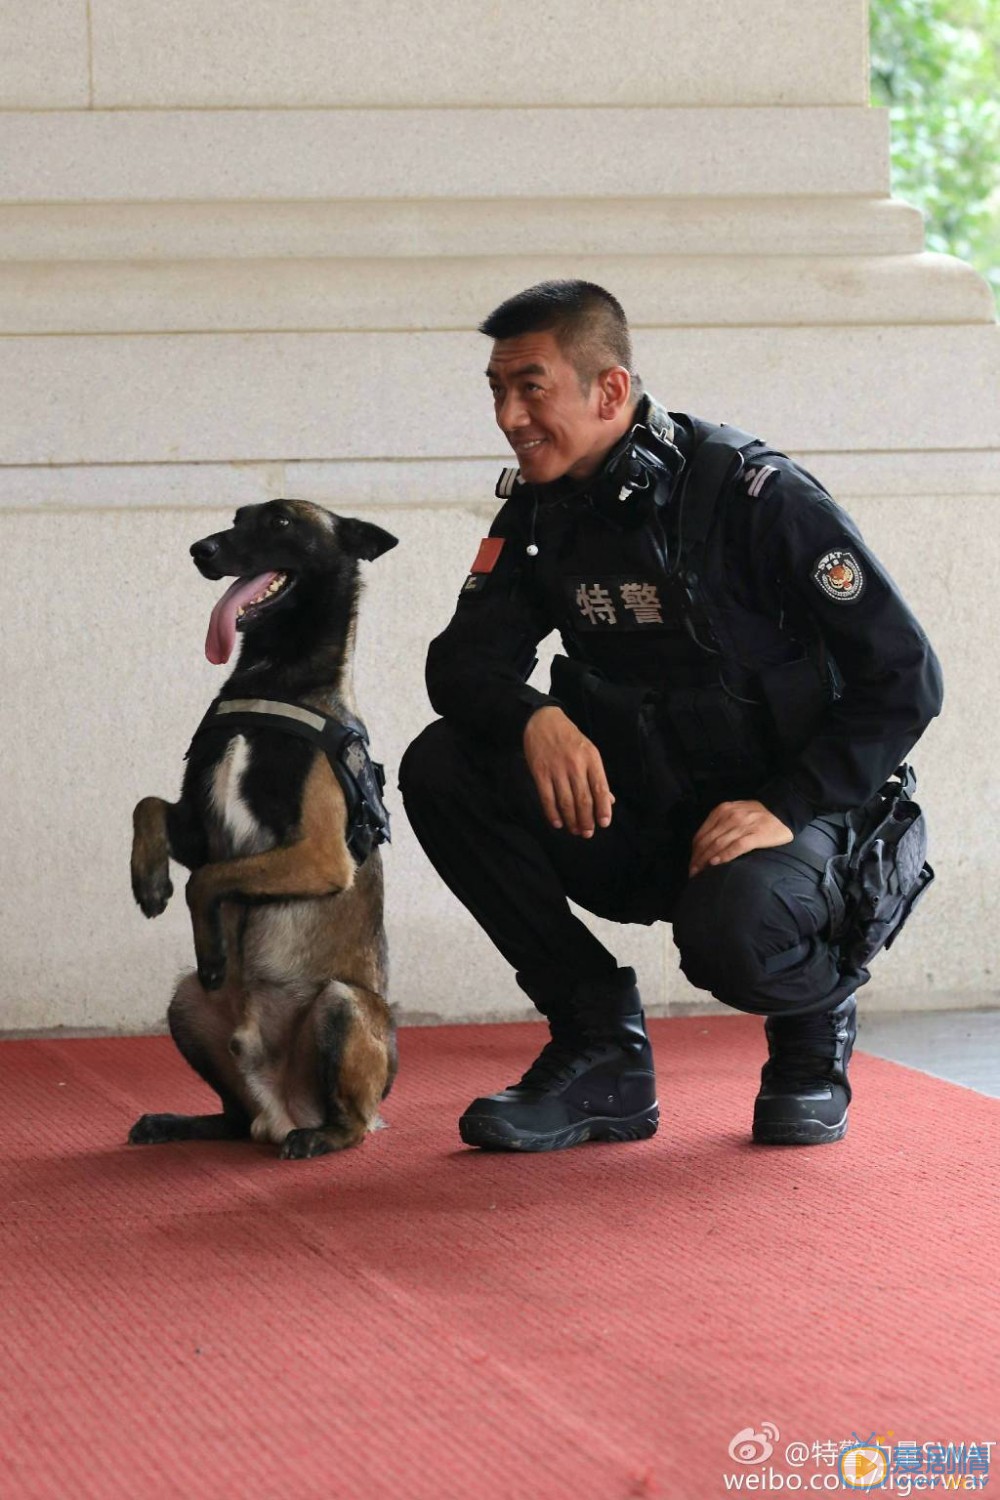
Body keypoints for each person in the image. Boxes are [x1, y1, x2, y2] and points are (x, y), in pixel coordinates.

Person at [399, 280, 943, 1152]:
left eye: (530, 387)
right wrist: (533, 716)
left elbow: (905, 676)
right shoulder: (541, 512)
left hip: (785, 824)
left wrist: (788, 805)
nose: (508, 415)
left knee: (737, 930)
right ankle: (598, 1047)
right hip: (643, 816)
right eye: (496, 390)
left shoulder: (754, 496)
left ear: (609, 389)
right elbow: (460, 661)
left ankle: (813, 1027)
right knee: (444, 764)